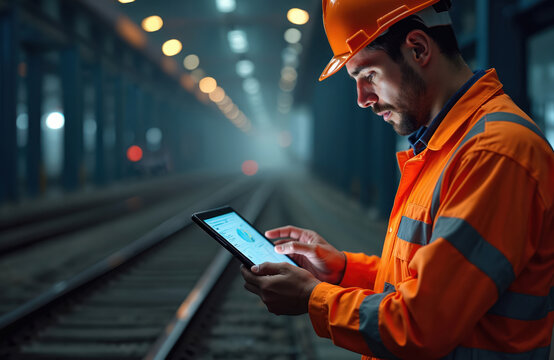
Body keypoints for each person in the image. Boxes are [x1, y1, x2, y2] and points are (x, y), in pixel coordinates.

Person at [241, 0, 554, 358]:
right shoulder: (444, 147)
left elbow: (422, 323)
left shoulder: (494, 155)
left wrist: (313, 298)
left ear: (418, 48)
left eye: (368, 76)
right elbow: (423, 283)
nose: (362, 99)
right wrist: (342, 270)